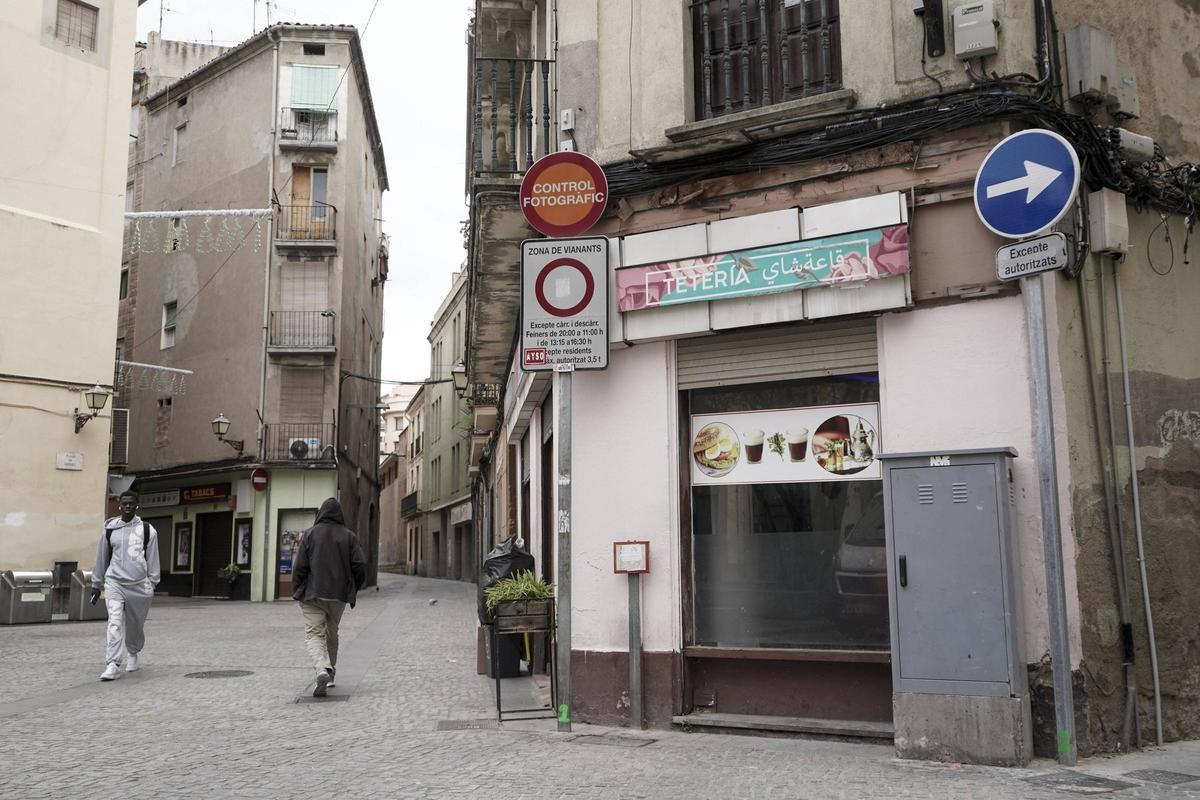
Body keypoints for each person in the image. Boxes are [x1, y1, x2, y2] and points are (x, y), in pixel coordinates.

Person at [292, 497, 367, 697]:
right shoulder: (349, 537)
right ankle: (330, 670)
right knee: (332, 633)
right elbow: (360, 566)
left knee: (314, 633)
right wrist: (353, 588)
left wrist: (297, 589)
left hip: (312, 594)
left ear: (320, 514)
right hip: (338, 595)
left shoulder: (309, 535)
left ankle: (321, 669)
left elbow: (299, 567)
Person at [90, 491, 160, 681]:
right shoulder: (110, 530)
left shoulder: (147, 530)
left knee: (135, 625)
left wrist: (152, 583)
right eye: (124, 504)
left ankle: (133, 652)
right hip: (115, 583)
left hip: (139, 586)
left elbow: (153, 559)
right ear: (119, 506)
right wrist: (96, 584)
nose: (127, 506)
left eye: (131, 503)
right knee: (114, 622)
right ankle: (112, 664)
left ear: (137, 505)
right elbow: (101, 558)